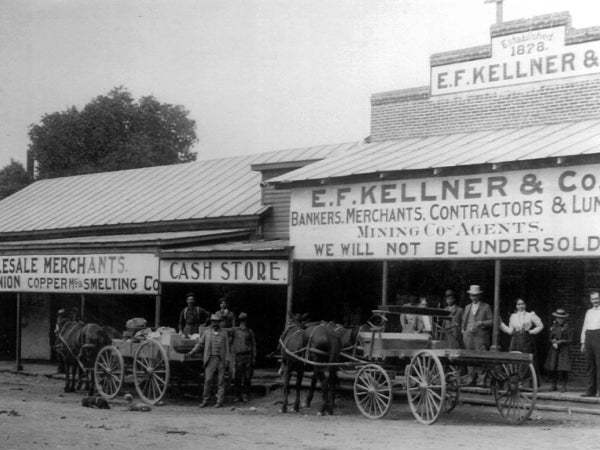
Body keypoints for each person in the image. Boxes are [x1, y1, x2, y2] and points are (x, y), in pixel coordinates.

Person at [188, 313, 230, 408]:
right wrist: (192, 351)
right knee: (208, 380)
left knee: (221, 381)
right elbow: (200, 343)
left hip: (221, 359)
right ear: (211, 322)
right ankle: (205, 400)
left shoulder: (224, 333)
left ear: (219, 323)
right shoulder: (206, 332)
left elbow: (227, 347)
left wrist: (227, 359)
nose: (215, 324)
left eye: (216, 322)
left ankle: (219, 401)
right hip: (210, 359)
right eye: (213, 322)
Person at [461, 285, 493, 386]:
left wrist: (482, 323)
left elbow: (492, 321)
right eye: (472, 295)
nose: (474, 297)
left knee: (481, 357)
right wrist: (464, 330)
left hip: (480, 336)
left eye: (476, 295)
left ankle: (481, 380)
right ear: (470, 296)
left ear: (479, 296)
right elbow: (464, 321)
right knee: (469, 357)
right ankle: (470, 379)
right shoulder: (467, 307)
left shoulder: (486, 306)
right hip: (468, 336)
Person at [230, 312, 256, 402]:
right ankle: (237, 395)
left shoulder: (250, 331)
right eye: (241, 320)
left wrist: (254, 357)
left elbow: (254, 345)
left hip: (248, 356)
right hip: (239, 356)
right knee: (237, 377)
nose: (243, 322)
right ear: (239, 321)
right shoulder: (235, 331)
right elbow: (230, 342)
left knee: (247, 377)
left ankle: (245, 395)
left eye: (244, 320)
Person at [544, 308, 572, 392]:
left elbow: (570, 340)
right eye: (558, 318)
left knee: (563, 368)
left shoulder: (568, 327)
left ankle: (563, 386)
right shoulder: (553, 327)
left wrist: (562, 341)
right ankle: (554, 385)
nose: (560, 319)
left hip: (564, 349)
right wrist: (553, 341)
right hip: (554, 349)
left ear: (564, 318)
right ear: (556, 318)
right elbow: (550, 338)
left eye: (562, 318)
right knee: (554, 367)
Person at [580, 291, 600, 397]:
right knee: (590, 365)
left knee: (599, 364)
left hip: (598, 336)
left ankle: (599, 390)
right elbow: (585, 326)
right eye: (593, 299)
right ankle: (590, 390)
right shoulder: (588, 312)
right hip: (589, 337)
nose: (595, 301)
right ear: (590, 300)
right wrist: (583, 342)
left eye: (597, 298)